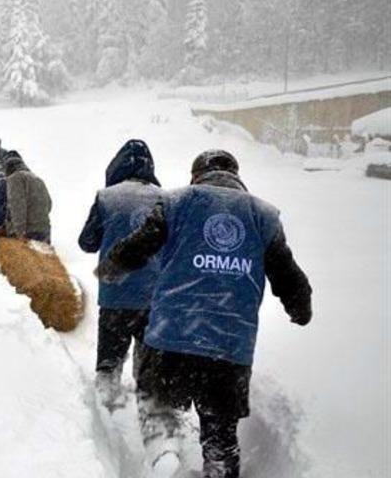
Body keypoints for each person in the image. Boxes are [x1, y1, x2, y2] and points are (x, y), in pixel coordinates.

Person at [99, 150, 313, 478]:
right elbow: (287, 273)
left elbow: (140, 245)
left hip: (172, 334)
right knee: (220, 435)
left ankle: (164, 453)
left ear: (195, 176)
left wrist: (112, 266)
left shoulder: (176, 203)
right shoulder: (263, 215)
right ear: (236, 177)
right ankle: (218, 468)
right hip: (229, 345)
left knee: (157, 406)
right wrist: (299, 307)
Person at [77, 139, 164, 412]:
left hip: (115, 296)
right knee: (149, 367)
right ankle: (151, 414)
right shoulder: (166, 199)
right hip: (154, 299)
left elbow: (87, 242)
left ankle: (107, 415)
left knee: (109, 363)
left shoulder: (107, 197)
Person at [4, 151, 52, 243]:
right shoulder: (37, 179)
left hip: (28, 232)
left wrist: (20, 232)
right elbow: (49, 204)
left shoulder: (14, 178)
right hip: (44, 230)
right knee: (43, 252)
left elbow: (17, 206)